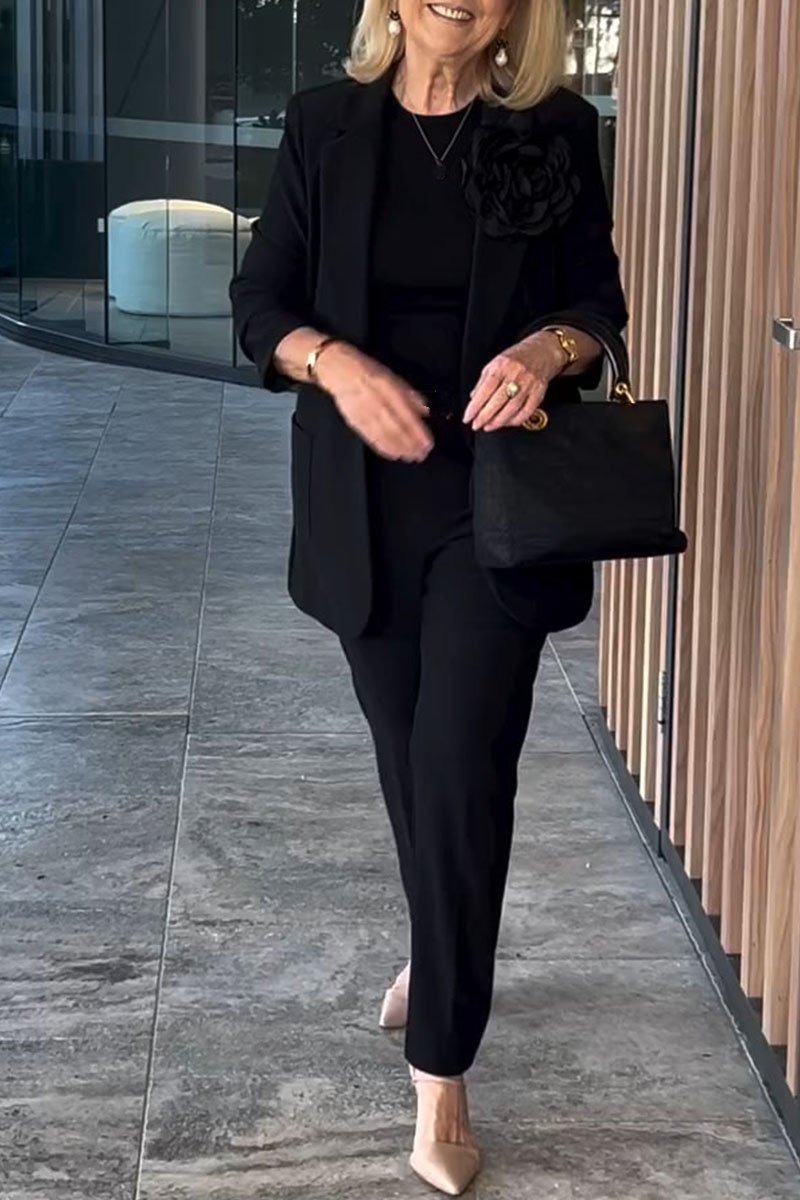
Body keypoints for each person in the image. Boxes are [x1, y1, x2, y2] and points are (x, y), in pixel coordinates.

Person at [230, 0, 627, 1193]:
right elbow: (258, 304)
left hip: (497, 506)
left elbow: (594, 304)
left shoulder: (553, 128)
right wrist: (333, 362)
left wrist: (544, 352)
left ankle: (441, 1070)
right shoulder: (323, 126)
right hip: (361, 505)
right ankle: (438, 945)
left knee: (459, 762)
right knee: (411, 761)